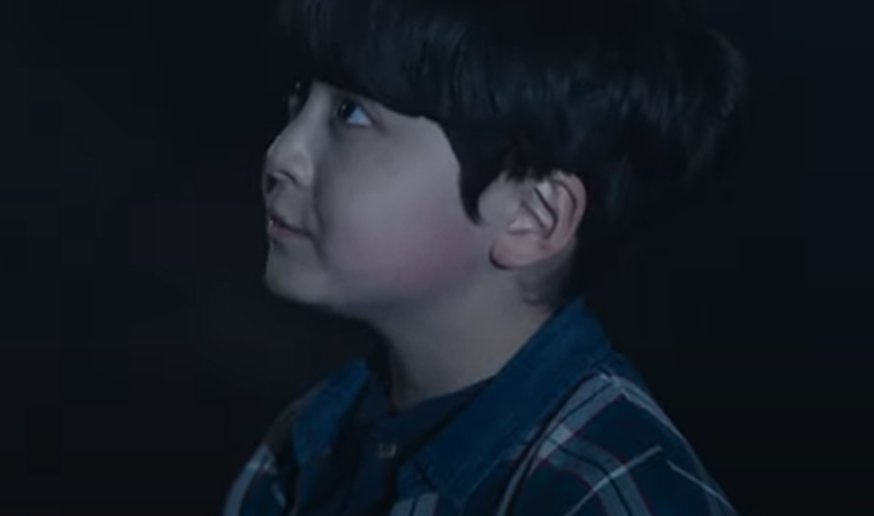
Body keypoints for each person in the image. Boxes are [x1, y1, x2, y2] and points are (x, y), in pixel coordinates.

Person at [224, 0, 747, 513]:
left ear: (532, 216)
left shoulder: (612, 495)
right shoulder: (304, 445)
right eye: (301, 94)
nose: (281, 155)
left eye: (351, 113)